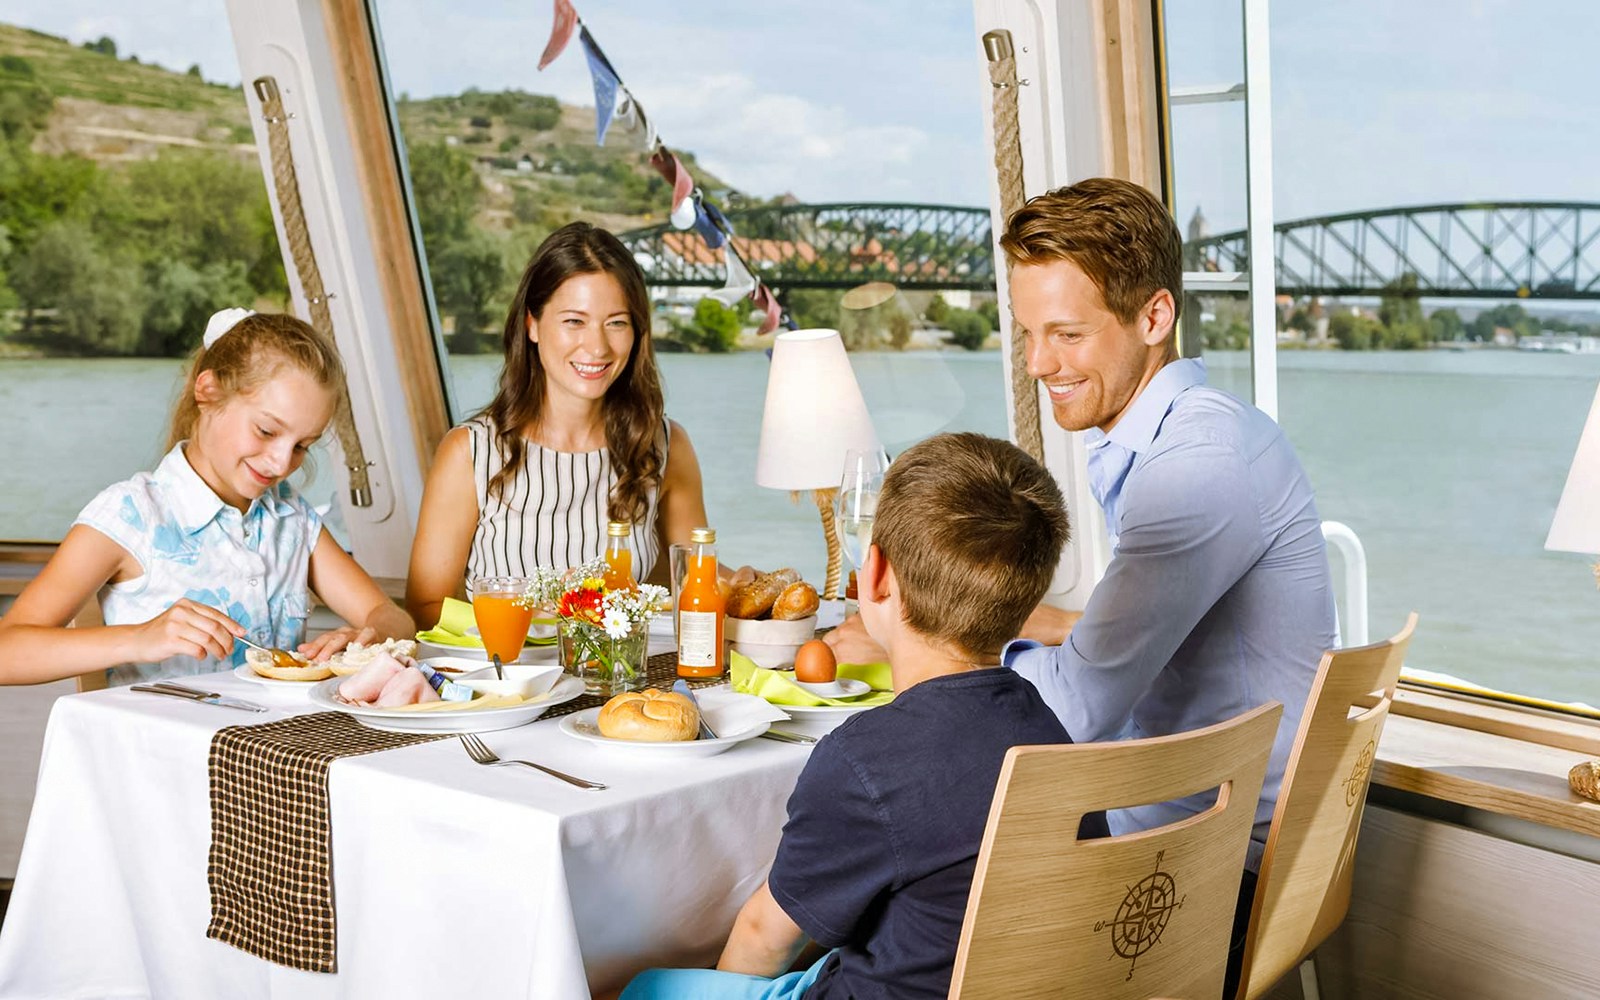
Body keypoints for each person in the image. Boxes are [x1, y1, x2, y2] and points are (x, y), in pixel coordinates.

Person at [827, 178, 1337, 991]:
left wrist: (925, 649)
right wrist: (1022, 626)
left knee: (875, 907)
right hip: (1221, 823)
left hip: (1211, 863)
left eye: (1066, 334)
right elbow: (1137, 628)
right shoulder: (1201, 431)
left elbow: (1073, 710)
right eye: (1029, 334)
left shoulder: (1193, 469)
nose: (1038, 364)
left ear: (1154, 317)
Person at [621, 432, 1107, 1000]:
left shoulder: (863, 759)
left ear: (873, 576)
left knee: (643, 986)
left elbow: (763, 937)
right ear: (1026, 596)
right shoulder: (1048, 728)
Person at [0, 310, 415, 687]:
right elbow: (7, 653)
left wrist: (371, 636)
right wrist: (138, 639)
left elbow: (392, 616)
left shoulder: (290, 517)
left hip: (267, 758)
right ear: (208, 391)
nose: (280, 462)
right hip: (161, 761)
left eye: (303, 445)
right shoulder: (131, 516)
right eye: (267, 431)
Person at [406, 222, 710, 629]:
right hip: (513, 688)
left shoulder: (665, 446)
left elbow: (691, 579)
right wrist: (535, 614)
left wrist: (738, 582)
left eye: (617, 322)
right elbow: (426, 608)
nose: (598, 347)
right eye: (574, 321)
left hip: (623, 686)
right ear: (532, 324)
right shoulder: (470, 453)